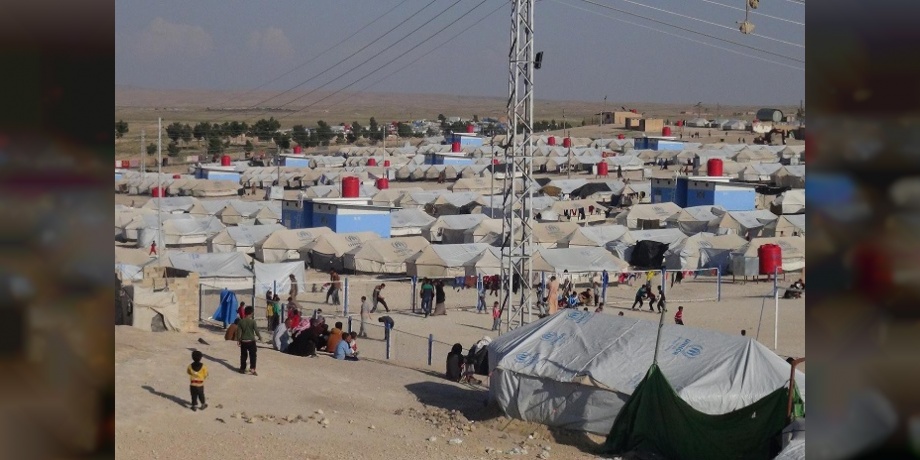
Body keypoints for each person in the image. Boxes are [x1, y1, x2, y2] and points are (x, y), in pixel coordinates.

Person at [235, 306, 262, 375]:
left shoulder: (241, 321)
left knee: (243, 355)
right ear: (251, 313)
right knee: (253, 355)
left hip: (243, 341)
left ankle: (242, 368)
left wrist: (238, 340)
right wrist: (260, 337)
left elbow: (239, 332)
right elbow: (256, 330)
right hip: (251, 341)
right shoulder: (253, 322)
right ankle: (252, 369)